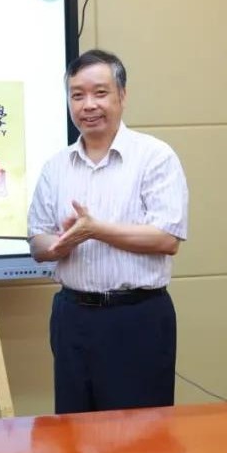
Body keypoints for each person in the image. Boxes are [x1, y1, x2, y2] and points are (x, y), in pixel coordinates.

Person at [27, 49, 188, 414]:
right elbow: (37, 240)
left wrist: (95, 230)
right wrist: (60, 244)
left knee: (139, 435)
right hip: (72, 316)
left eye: (100, 93)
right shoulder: (55, 167)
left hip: (137, 316)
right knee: (73, 431)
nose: (88, 105)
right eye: (77, 95)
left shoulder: (155, 157)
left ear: (122, 95)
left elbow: (166, 238)